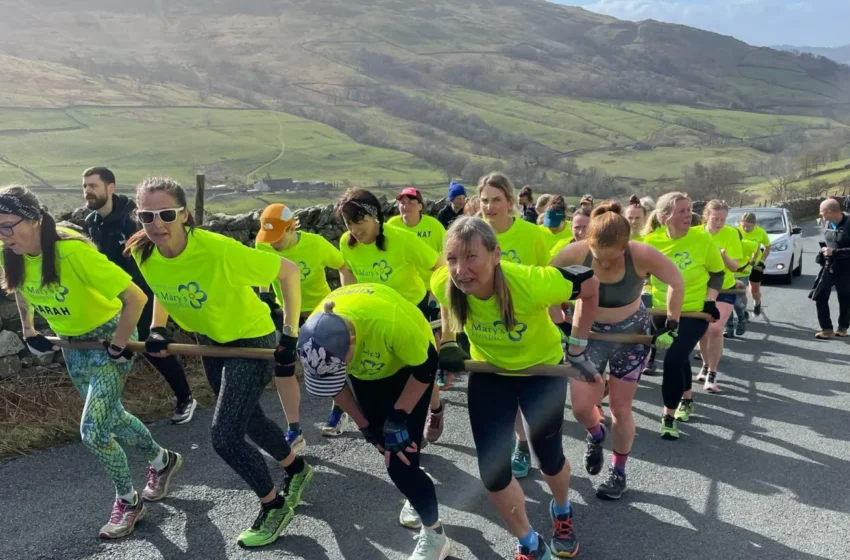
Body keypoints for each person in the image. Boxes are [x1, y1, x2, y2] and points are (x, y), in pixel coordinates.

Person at [125, 177, 313, 548]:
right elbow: (163, 289)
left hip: (250, 339)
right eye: (147, 215)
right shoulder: (142, 252)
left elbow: (288, 272)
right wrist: (159, 328)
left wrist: (290, 334)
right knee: (249, 418)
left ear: (185, 215)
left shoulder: (218, 250)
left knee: (224, 436)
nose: (156, 224)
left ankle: (272, 504)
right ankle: (296, 468)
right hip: (212, 342)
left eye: (166, 214)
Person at [0, 185, 182, 539]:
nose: (2, 234)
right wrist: (28, 328)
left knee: (94, 432)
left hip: (107, 338)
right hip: (73, 344)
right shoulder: (11, 249)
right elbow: (19, 286)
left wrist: (119, 343)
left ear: (35, 219)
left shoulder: (72, 255)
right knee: (111, 415)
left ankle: (128, 502)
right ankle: (163, 461)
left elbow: (136, 297)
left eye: (7, 225)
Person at [433, 216, 600, 560]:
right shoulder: (443, 282)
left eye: (471, 258)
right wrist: (449, 341)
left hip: (543, 371)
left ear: (496, 255)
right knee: (493, 474)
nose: (460, 270)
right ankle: (529, 542)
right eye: (452, 259)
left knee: (549, 459)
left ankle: (562, 509)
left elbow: (590, 286)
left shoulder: (530, 282)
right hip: (491, 373)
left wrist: (579, 347)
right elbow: (447, 303)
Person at [296, 283, 451, 560]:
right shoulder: (315, 334)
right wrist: (365, 426)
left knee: (400, 460)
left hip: (410, 365)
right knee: (386, 446)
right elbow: (334, 385)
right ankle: (416, 483)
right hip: (368, 371)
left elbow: (427, 367)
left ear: (353, 341)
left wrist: (399, 416)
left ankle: (436, 536)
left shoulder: (390, 323)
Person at [551, 202, 683, 499]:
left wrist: (672, 322)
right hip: (588, 334)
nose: (605, 266)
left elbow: (675, 279)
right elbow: (543, 283)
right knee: (583, 407)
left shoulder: (641, 254)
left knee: (621, 409)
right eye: (599, 259)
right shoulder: (575, 252)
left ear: (625, 246)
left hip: (631, 335)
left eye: (612, 260)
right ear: (589, 244)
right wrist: (558, 320)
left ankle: (618, 471)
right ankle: (596, 435)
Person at [81, 167, 195, 424]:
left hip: (145, 294)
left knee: (152, 348)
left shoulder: (133, 219)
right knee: (117, 350)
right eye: (85, 186)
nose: (88, 191)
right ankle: (111, 412)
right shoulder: (90, 223)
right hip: (114, 297)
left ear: (110, 188)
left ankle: (186, 397)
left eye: (93, 186)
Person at [333, 188, 445, 440]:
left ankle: (434, 409)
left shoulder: (402, 239)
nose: (354, 229)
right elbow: (347, 270)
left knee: (418, 370)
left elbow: (440, 267)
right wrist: (348, 299)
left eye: (360, 221)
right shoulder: (346, 243)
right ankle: (397, 433)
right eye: (348, 222)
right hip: (373, 318)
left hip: (410, 313)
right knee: (387, 374)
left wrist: (434, 299)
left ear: (377, 218)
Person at [255, 202, 349, 454]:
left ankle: (339, 409)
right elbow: (263, 270)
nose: (272, 244)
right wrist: (265, 294)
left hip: (320, 313)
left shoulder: (316, 244)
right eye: (268, 238)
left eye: (277, 238)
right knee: (283, 367)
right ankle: (294, 430)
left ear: (291, 227)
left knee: (328, 365)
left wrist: (345, 297)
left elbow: (343, 266)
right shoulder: (263, 243)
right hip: (286, 315)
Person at [478, 172, 549, 479]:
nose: (490, 206)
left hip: (524, 331)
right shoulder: (473, 233)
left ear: (510, 202)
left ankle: (521, 443)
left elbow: (547, 280)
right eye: (484, 200)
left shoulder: (532, 235)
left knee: (520, 396)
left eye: (496, 200)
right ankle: (508, 440)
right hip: (485, 331)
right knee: (496, 397)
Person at [643, 192, 724, 439]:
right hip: (662, 311)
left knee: (673, 358)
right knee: (678, 357)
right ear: (665, 217)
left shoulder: (703, 239)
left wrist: (710, 302)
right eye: (682, 211)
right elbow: (643, 275)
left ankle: (668, 415)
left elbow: (717, 273)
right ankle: (687, 397)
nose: (689, 215)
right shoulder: (650, 241)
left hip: (694, 312)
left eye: (689, 210)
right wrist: (645, 295)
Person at [388, 187, 449, 437]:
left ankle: (434, 405)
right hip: (398, 298)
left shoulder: (434, 227)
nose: (406, 206)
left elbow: (444, 257)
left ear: (421, 206)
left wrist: (437, 288)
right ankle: (409, 417)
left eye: (411, 202)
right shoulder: (390, 226)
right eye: (402, 202)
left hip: (428, 292)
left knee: (425, 353)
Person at [695, 200, 742, 393]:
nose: (720, 223)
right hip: (700, 289)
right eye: (716, 218)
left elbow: (734, 267)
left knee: (715, 329)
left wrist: (723, 257)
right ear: (706, 216)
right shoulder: (695, 233)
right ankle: (705, 364)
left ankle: (712, 373)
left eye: (723, 219)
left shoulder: (731, 234)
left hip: (724, 288)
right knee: (702, 331)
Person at [811, 198, 850, 338]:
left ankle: (843, 328)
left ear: (830, 212)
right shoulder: (827, 223)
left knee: (845, 297)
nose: (821, 215)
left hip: (846, 267)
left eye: (822, 212)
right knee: (820, 294)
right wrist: (824, 252)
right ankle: (826, 329)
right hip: (829, 265)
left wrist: (836, 252)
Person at [737, 212, 771, 317]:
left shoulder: (761, 232)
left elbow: (768, 247)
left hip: (756, 264)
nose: (746, 228)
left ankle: (757, 302)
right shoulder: (736, 231)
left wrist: (762, 261)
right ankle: (743, 312)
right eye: (743, 225)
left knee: (754, 291)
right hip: (742, 264)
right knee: (740, 291)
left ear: (754, 224)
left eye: (748, 226)